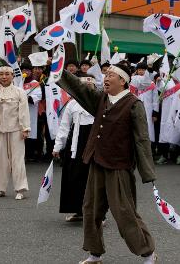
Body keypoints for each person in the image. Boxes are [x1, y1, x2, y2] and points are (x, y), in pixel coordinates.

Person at [57, 64, 157, 264]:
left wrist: (147, 172)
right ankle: (95, 254)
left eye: (111, 75)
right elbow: (80, 89)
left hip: (119, 165)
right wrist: (59, 70)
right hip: (97, 161)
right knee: (91, 209)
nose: (106, 78)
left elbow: (142, 139)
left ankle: (148, 253)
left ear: (123, 81)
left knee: (123, 212)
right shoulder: (101, 98)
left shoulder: (133, 104)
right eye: (106, 75)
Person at [52, 73, 96, 222]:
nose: (87, 89)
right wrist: (58, 146)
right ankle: (78, 210)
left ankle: (97, 213)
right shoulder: (72, 104)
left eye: (90, 87)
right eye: (83, 86)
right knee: (74, 176)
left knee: (93, 179)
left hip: (94, 144)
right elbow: (64, 126)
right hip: (76, 144)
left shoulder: (100, 102)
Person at [0, 65, 31, 200]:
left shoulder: (19, 92)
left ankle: (20, 188)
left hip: (16, 130)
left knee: (17, 160)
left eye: (7, 74)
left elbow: (24, 112)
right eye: (1, 74)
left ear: (12, 76)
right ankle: (0, 188)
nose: (4, 77)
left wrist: (25, 128)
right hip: (0, 130)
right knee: (0, 160)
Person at [21, 62, 42, 161]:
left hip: (30, 111)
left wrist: (27, 97)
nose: (25, 72)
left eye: (27, 70)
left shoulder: (34, 83)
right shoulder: (17, 82)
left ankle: (29, 154)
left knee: (29, 131)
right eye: (23, 70)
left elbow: (38, 96)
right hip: (18, 111)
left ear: (31, 72)